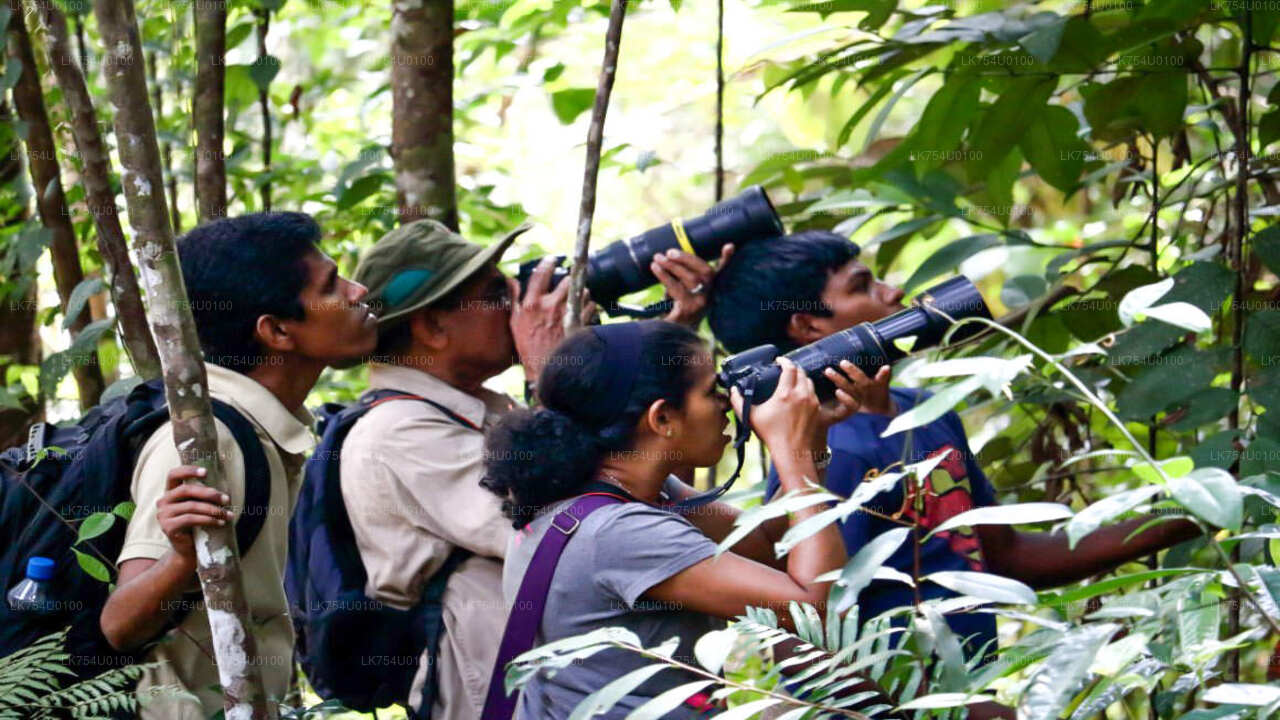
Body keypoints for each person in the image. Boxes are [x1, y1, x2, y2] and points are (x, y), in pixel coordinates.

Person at [707, 230, 1200, 658]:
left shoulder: (924, 408)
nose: (894, 290)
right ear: (808, 327)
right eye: (863, 285)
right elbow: (818, 621)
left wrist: (1189, 517)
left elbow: (1003, 556)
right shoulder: (831, 451)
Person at [340, 220, 726, 719]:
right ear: (433, 328)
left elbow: (648, 505)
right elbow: (564, 529)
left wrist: (668, 368)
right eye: (496, 294)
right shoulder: (398, 432)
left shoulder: (480, 408)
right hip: (501, 695)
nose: (519, 303)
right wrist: (550, 369)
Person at [481, 320, 881, 719]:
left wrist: (811, 440)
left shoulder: (620, 493)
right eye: (712, 392)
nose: (728, 403)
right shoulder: (620, 532)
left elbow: (764, 546)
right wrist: (789, 453)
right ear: (662, 419)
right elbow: (814, 611)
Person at [99, 212, 378, 718]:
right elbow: (120, 625)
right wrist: (182, 559)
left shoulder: (266, 428)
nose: (359, 293)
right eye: (333, 285)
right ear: (275, 331)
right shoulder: (211, 442)